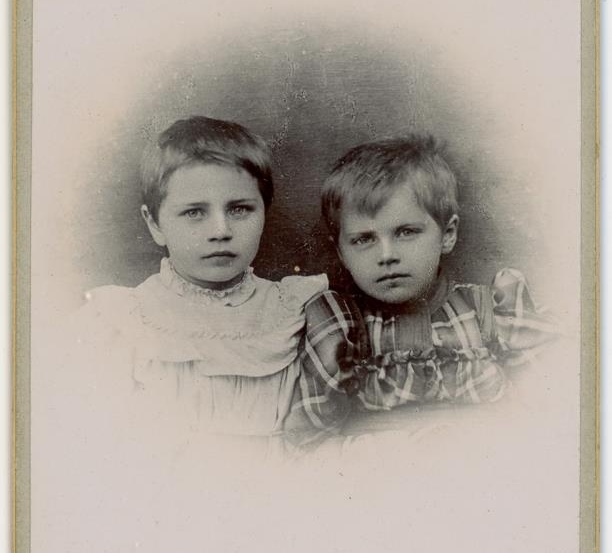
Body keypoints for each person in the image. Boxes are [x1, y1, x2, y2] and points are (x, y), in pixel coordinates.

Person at [69, 115, 327, 450]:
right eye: (194, 212)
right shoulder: (122, 322)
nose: (220, 231)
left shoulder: (295, 310)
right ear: (155, 224)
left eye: (239, 209)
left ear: (265, 211)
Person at [287, 135, 557, 442]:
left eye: (406, 232)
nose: (387, 255)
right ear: (341, 253)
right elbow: (308, 441)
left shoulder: (491, 313)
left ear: (448, 234)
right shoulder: (342, 330)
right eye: (364, 239)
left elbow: (555, 413)